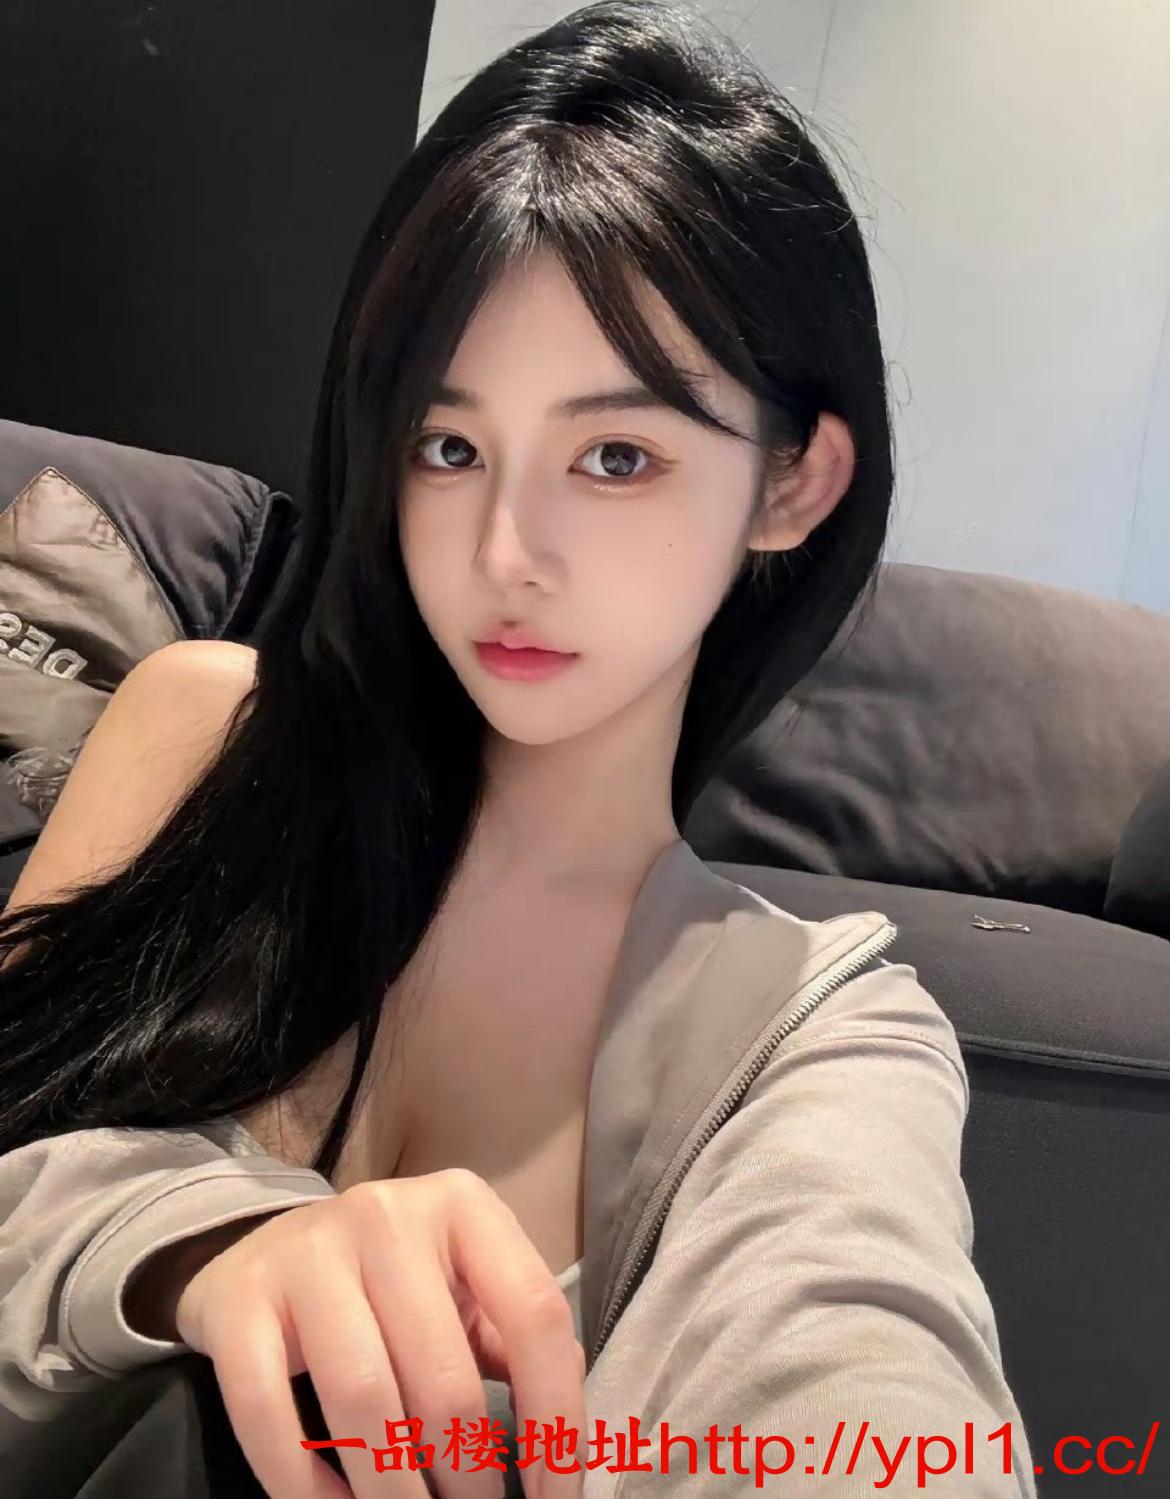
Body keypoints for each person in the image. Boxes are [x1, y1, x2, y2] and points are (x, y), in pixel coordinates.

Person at [0, 2, 1038, 1495]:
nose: (503, 551)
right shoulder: (202, 738)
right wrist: (199, 1247)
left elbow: (858, 1372)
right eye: (449, 446)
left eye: (615, 455)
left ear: (791, 484)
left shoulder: (811, 1032)